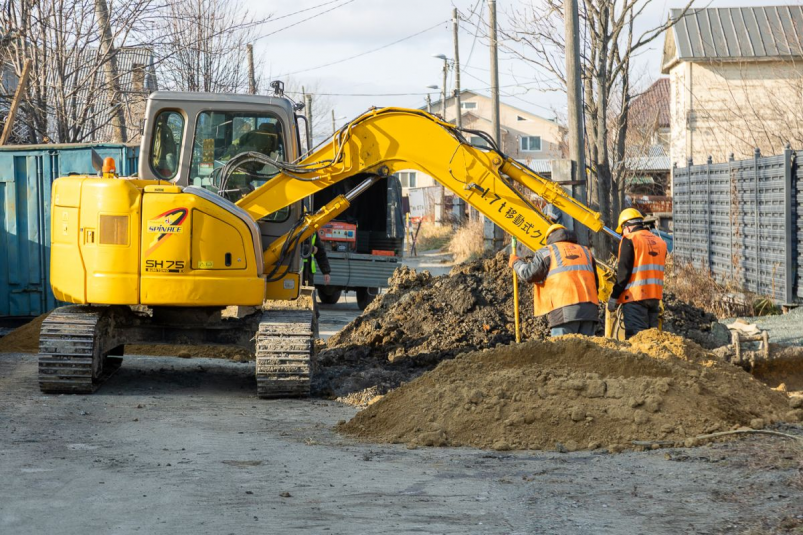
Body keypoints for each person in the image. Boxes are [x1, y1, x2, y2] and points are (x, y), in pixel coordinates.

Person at [509, 224, 599, 337]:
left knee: (562, 351)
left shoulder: (548, 252)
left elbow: (529, 274)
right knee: (588, 351)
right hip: (590, 312)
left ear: (549, 238)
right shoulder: (586, 252)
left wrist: (515, 262)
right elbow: (595, 283)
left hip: (564, 310)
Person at [607, 208, 668, 338]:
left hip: (635, 299)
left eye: (622, 230)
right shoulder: (660, 242)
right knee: (653, 340)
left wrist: (614, 296)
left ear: (627, 227)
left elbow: (624, 273)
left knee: (637, 340)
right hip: (654, 298)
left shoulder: (630, 239)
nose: (622, 234)